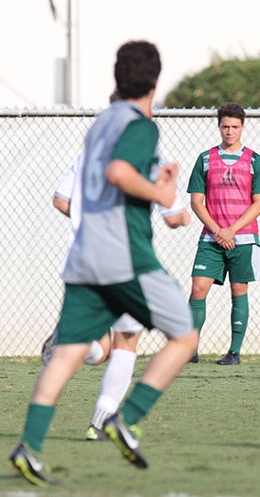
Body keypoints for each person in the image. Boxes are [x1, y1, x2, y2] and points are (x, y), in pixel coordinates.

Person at [9, 40, 198, 486]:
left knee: (67, 354)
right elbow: (118, 173)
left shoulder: (100, 123)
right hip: (123, 255)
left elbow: (108, 173)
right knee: (185, 336)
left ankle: (28, 448)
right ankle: (125, 419)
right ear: (155, 81)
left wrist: (153, 181)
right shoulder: (140, 124)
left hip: (84, 256)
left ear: (117, 78)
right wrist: (161, 192)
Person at [43, 147, 191, 441]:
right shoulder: (152, 161)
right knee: (127, 342)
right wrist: (185, 217)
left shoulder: (89, 155)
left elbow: (61, 200)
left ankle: (74, 343)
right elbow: (174, 216)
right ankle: (98, 423)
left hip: (87, 260)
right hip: (129, 263)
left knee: (99, 349)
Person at [187, 102, 260, 365]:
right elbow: (196, 202)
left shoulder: (256, 161)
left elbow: (259, 203)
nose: (230, 131)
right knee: (198, 288)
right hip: (211, 239)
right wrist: (218, 231)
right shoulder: (204, 159)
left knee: (239, 290)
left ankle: (234, 352)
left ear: (242, 127)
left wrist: (231, 231)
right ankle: (189, 350)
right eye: (225, 126)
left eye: (235, 127)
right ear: (219, 126)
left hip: (243, 239)